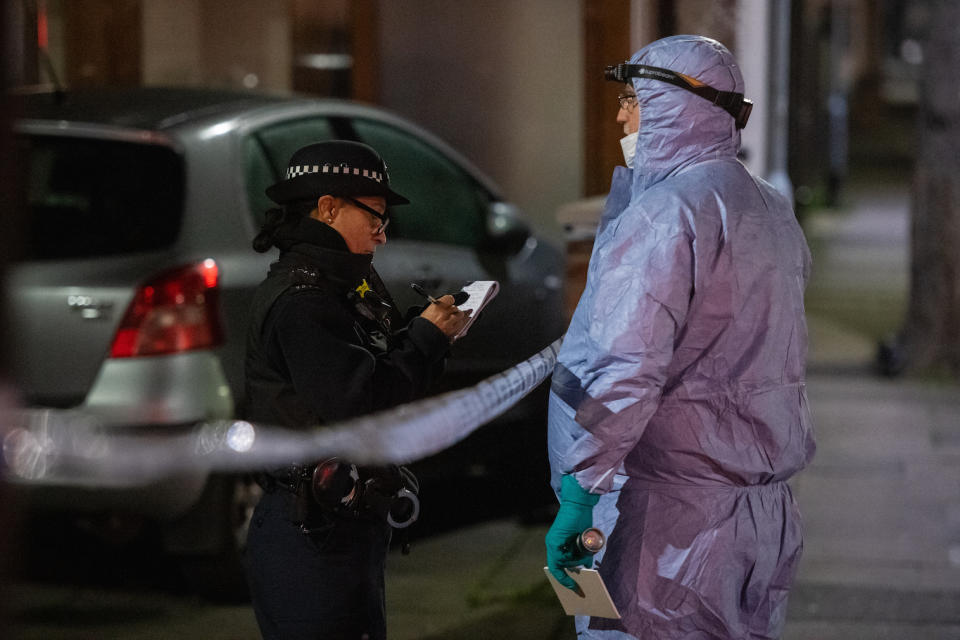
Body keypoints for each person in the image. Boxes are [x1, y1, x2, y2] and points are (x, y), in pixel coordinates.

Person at [546, 35, 816, 640]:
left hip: (674, 526)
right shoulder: (769, 209)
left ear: (672, 107)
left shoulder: (667, 215)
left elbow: (625, 370)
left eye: (632, 101)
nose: (621, 115)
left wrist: (579, 493)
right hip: (762, 518)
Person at [242, 140, 469, 640]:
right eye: (376, 217)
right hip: (312, 538)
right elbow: (360, 400)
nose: (383, 235)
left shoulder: (338, 284)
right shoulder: (304, 300)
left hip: (337, 530)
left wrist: (426, 335)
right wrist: (425, 341)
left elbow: (380, 376)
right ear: (327, 208)